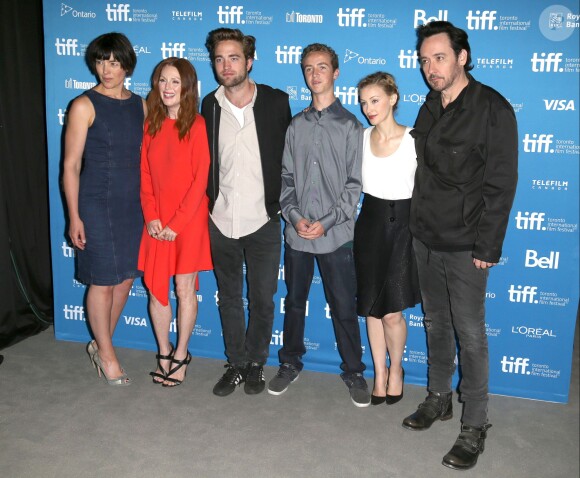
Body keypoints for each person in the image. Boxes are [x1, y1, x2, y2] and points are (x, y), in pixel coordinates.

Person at [402, 21, 518, 470]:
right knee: (434, 322)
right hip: (425, 236)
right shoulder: (430, 105)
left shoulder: (492, 109)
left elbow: (501, 184)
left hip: (466, 242)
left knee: (470, 333)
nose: (431, 68)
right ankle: (438, 397)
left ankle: (475, 423)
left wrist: (488, 246)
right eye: (425, 60)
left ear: (462, 57)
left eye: (440, 57)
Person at [268, 43, 370, 408]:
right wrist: (295, 218)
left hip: (337, 235)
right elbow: (286, 178)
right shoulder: (296, 125)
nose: (315, 74)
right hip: (296, 234)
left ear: (335, 73)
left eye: (322, 67)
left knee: (343, 304)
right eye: (309, 68)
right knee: (294, 303)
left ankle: (354, 369)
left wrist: (325, 223)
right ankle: (290, 362)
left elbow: (354, 186)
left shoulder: (351, 126)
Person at [201, 28, 292, 396]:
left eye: (233, 57)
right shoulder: (208, 104)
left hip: (263, 219)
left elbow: (290, 159)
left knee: (263, 298)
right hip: (220, 219)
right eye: (219, 58)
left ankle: (257, 362)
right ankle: (236, 364)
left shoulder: (275, 102)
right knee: (229, 297)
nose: (226, 65)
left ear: (249, 61)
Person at [63, 32, 146, 386]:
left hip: (133, 204)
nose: (106, 69)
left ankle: (100, 344)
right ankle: (109, 358)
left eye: (113, 62)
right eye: (100, 61)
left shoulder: (141, 104)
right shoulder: (84, 105)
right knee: (103, 281)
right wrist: (74, 216)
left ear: (126, 64)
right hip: (96, 202)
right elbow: (70, 166)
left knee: (126, 279)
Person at [139, 57, 213, 387]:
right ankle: (164, 351)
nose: (168, 88)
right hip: (156, 222)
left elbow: (200, 181)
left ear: (186, 88)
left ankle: (182, 353)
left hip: (189, 221)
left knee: (184, 289)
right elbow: (144, 174)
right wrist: (152, 216)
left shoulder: (196, 125)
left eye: (175, 82)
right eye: (162, 81)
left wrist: (177, 223)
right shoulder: (151, 124)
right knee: (156, 292)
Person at [354, 72, 421, 406]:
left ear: (393, 98)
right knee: (371, 307)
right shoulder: (362, 138)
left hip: (405, 228)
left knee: (392, 311)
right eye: (364, 102)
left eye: (375, 100)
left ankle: (397, 370)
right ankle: (378, 373)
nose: (368, 108)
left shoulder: (414, 139)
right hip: (369, 225)